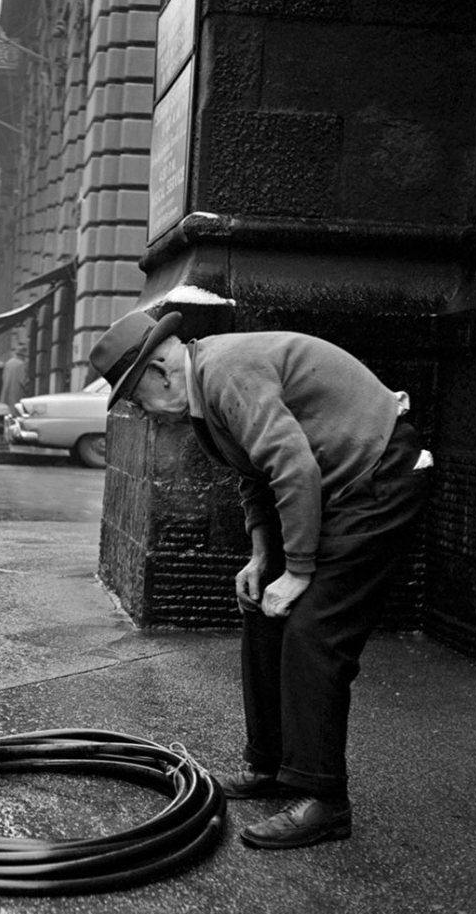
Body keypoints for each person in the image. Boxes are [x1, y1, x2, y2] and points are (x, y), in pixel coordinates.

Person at [89, 310, 432, 850]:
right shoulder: (203, 394)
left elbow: (293, 467)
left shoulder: (226, 371)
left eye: (135, 399)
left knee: (315, 630)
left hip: (379, 476)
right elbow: (254, 474)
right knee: (263, 609)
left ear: (159, 369)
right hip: (334, 488)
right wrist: (262, 558)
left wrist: (298, 572)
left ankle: (324, 800)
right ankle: (271, 765)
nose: (143, 414)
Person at [0, 346, 28, 411]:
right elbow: (23, 380)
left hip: (6, 392)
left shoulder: (8, 363)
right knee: (15, 412)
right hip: (16, 392)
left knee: (6, 412)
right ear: (22, 356)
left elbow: (3, 377)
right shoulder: (21, 364)